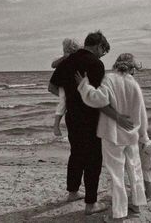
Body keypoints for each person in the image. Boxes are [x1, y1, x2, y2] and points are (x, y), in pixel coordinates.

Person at [50, 31, 132, 216]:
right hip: (91, 117)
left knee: (76, 153)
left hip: (72, 116)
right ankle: (90, 203)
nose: (103, 54)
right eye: (104, 50)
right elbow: (98, 97)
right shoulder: (96, 64)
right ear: (98, 46)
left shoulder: (67, 61)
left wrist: (71, 99)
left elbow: (52, 87)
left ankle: (72, 192)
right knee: (93, 159)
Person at [75, 53, 150, 222]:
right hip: (131, 134)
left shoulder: (109, 79)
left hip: (113, 134)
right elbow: (142, 113)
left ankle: (119, 214)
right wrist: (144, 136)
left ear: (116, 64)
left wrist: (83, 85)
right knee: (134, 169)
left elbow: (97, 99)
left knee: (116, 174)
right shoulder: (134, 84)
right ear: (132, 68)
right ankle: (136, 205)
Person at [51, 38, 80, 136]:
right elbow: (53, 65)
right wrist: (64, 57)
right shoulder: (61, 57)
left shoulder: (77, 57)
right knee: (63, 101)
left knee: (65, 100)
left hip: (71, 82)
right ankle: (56, 126)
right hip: (63, 82)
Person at [139, 124, 151, 201]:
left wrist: (144, 146)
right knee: (145, 180)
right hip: (146, 165)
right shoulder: (145, 142)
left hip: (149, 166)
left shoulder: (150, 144)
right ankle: (147, 192)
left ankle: (149, 196)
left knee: (147, 181)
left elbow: (150, 150)